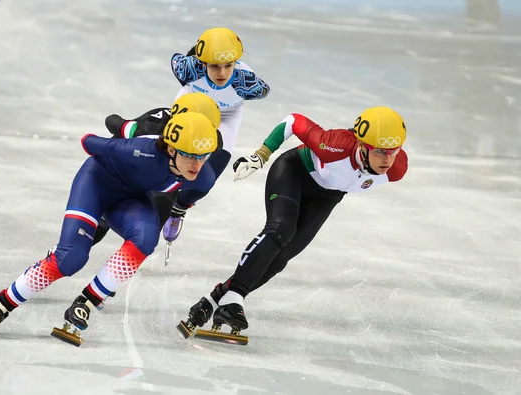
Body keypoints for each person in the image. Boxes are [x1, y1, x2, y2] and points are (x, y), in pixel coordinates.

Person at [0, 112, 219, 346]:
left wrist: (179, 209)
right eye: (188, 155)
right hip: (96, 183)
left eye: (202, 156)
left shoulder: (204, 177)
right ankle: (2, 304)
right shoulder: (144, 150)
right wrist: (126, 137)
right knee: (71, 259)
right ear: (171, 148)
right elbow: (88, 142)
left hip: (130, 200)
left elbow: (188, 198)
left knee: (146, 239)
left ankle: (87, 301)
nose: (196, 164)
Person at [178, 106, 409, 341]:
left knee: (280, 258)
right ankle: (235, 296)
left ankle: (213, 301)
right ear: (362, 145)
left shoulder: (397, 168)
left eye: (393, 151)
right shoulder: (335, 145)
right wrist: (261, 155)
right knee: (280, 229)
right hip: (294, 172)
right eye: (380, 151)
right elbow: (293, 121)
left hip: (327, 196)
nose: (388, 159)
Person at [162, 27, 270, 245]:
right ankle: (155, 192)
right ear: (203, 63)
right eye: (214, 66)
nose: (222, 73)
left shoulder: (245, 81)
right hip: (193, 105)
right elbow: (175, 60)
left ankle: (180, 207)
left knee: (206, 178)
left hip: (227, 116)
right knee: (170, 157)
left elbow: (264, 90)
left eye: (228, 66)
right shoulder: (189, 69)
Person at [92, 92, 223, 246]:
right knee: (98, 228)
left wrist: (182, 205)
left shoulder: (213, 137)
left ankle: (120, 266)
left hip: (165, 177)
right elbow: (113, 123)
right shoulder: (152, 126)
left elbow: (206, 178)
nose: (204, 133)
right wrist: (127, 129)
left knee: (150, 233)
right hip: (127, 171)